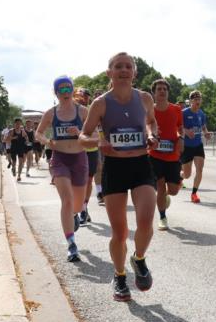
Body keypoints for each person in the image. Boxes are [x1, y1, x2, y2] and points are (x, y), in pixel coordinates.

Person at [82, 52, 158, 302]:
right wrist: (99, 143)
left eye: (128, 66)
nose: (124, 70)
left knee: (146, 223)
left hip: (140, 165)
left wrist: (151, 134)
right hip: (114, 167)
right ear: (109, 73)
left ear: (134, 73)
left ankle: (138, 258)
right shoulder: (101, 103)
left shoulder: (145, 98)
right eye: (118, 66)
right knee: (120, 232)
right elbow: (84, 136)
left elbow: (151, 122)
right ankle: (120, 275)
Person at [35, 76, 92, 262]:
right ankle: (71, 245)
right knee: (66, 200)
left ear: (73, 91)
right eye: (62, 89)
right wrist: (47, 141)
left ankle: (75, 215)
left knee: (76, 204)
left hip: (79, 158)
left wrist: (81, 133)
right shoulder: (50, 113)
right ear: (56, 92)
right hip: (59, 158)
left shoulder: (83, 111)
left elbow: (94, 132)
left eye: (69, 89)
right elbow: (39, 132)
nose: (65, 93)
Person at [148, 78, 183, 230]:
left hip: (173, 155)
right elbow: (145, 126)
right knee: (160, 188)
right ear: (154, 93)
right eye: (159, 89)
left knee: (173, 191)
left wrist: (180, 137)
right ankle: (162, 217)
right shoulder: (149, 110)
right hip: (155, 155)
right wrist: (150, 135)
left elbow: (180, 127)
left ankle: (168, 192)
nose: (162, 91)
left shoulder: (176, 109)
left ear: (168, 92)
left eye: (164, 89)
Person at [180, 90, 210, 203]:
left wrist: (206, 133)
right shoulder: (184, 113)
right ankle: (180, 178)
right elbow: (177, 127)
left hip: (198, 145)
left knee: (200, 169)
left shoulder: (201, 114)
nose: (198, 101)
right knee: (187, 175)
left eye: (199, 99)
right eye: (195, 99)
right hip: (186, 147)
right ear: (191, 101)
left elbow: (203, 126)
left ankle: (194, 194)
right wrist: (186, 131)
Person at [74, 88, 97, 225]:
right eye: (82, 96)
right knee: (77, 181)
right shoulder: (71, 110)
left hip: (91, 149)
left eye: (87, 96)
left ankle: (84, 209)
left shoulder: (92, 110)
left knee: (88, 180)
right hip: (76, 149)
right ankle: (76, 208)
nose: (85, 98)